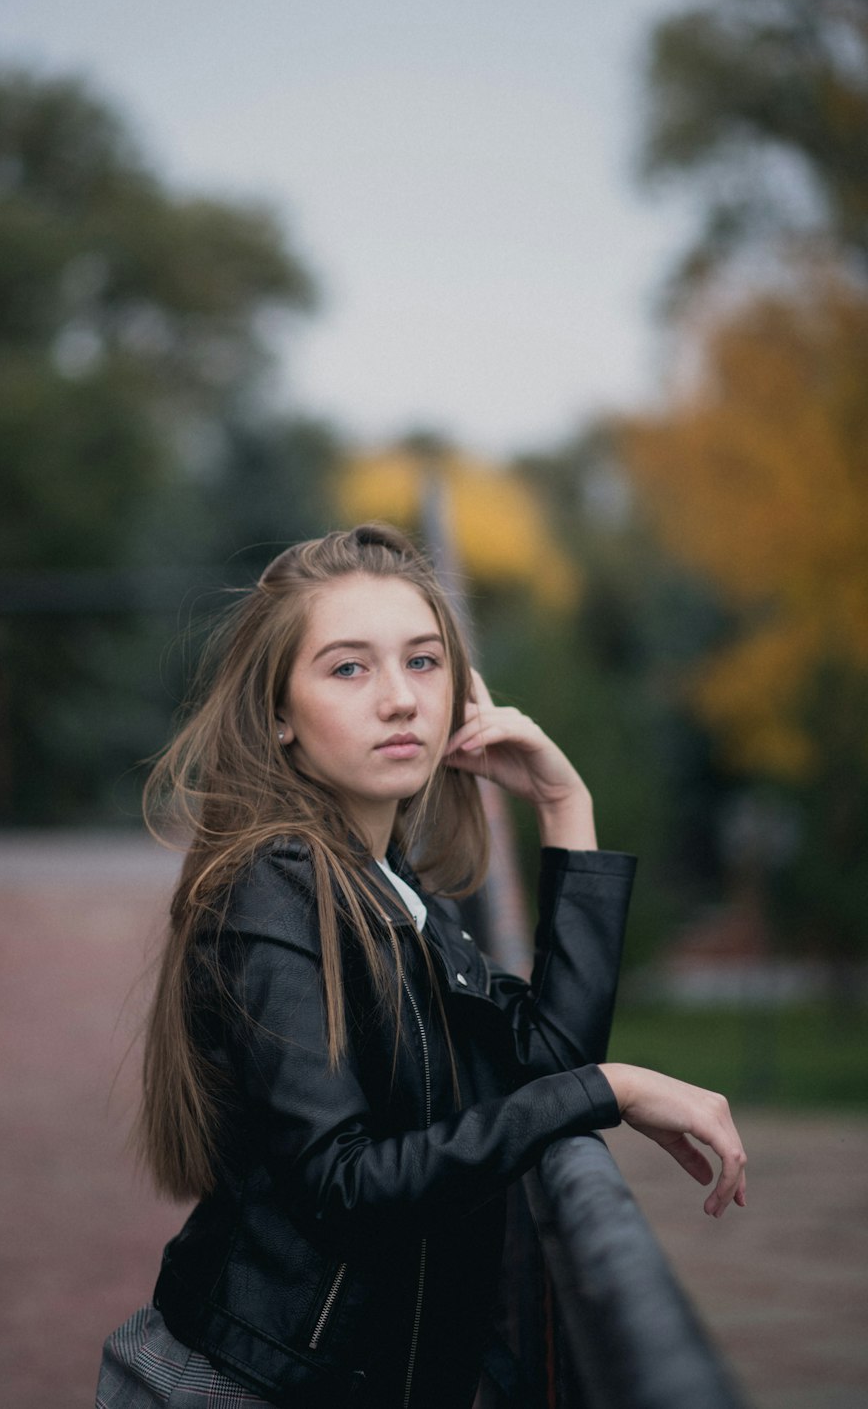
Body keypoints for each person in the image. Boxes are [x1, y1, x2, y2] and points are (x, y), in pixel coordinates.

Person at [96, 523, 746, 1409]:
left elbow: (546, 1051)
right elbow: (346, 1186)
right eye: (349, 668)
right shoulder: (268, 889)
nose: (400, 699)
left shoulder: (394, 890)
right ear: (279, 714)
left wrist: (565, 803)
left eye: (425, 662)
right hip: (243, 1388)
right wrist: (612, 1090)